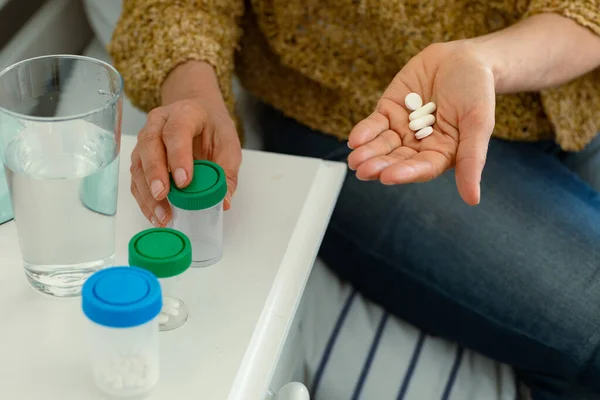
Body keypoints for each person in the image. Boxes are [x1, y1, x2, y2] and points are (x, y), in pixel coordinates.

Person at [108, 1, 600, 398]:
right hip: (362, 126)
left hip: (563, 74)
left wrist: (486, 61)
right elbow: (174, 7)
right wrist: (193, 94)